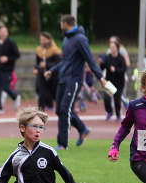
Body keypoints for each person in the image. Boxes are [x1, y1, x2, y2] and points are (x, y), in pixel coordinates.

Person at [44, 15, 108, 150]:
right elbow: (64, 61)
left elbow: (90, 59)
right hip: (63, 78)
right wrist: (52, 70)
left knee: (65, 110)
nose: (60, 25)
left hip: (73, 80)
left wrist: (100, 77)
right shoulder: (66, 39)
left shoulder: (80, 39)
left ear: (65, 23)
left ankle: (62, 144)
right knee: (59, 110)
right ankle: (83, 129)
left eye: (61, 23)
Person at [0, 26, 20, 114]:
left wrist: (7, 58)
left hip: (7, 69)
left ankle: (15, 96)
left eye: (4, 31)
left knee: (5, 87)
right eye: (1, 31)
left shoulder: (11, 43)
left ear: (7, 33)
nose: (2, 33)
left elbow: (17, 55)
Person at [101, 37, 128, 121]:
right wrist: (101, 63)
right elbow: (102, 67)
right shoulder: (107, 57)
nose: (112, 49)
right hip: (110, 81)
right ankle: (109, 112)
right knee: (106, 97)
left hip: (119, 82)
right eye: (111, 47)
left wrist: (116, 69)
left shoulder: (121, 58)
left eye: (113, 47)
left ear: (117, 48)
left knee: (117, 98)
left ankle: (118, 114)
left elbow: (124, 69)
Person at [34, 32, 62, 111]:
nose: (42, 41)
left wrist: (47, 64)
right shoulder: (39, 49)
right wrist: (36, 68)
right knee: (41, 90)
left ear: (49, 40)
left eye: (44, 40)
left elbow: (58, 63)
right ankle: (41, 109)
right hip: (42, 73)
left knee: (54, 92)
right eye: (41, 40)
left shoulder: (55, 50)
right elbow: (38, 63)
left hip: (53, 74)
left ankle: (53, 105)